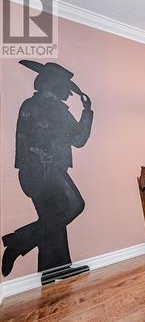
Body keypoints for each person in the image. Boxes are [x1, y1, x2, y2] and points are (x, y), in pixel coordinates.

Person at [1, 60, 93, 280]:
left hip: (31, 173)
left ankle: (53, 272)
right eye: (65, 87)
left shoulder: (29, 104)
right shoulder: (52, 107)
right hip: (47, 170)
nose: (68, 93)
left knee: (53, 220)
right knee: (75, 205)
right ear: (54, 85)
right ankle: (18, 242)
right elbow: (79, 139)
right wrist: (87, 111)